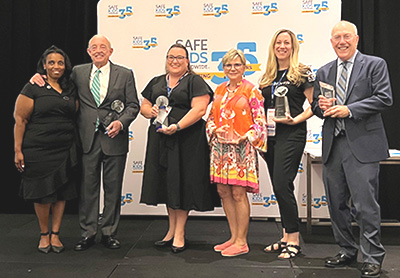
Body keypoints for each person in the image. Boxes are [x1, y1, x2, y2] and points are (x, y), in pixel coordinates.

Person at [31, 35, 140, 251]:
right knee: (88, 188)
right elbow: (57, 81)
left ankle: (109, 233)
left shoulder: (125, 74)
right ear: (88, 51)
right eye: (94, 47)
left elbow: (133, 105)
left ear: (111, 51)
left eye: (103, 47)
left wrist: (121, 122)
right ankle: (88, 233)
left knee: (113, 188)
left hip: (114, 138)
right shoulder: (78, 72)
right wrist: (38, 76)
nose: (98, 50)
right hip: (86, 139)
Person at [311, 21, 392, 278]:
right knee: (336, 205)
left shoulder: (374, 64)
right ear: (331, 41)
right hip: (333, 146)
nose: (341, 41)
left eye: (346, 36)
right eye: (337, 37)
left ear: (356, 39)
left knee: (366, 205)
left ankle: (372, 257)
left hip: (362, 147)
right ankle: (347, 250)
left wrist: (350, 109)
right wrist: (321, 105)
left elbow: (384, 97)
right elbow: (315, 108)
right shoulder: (324, 72)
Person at [140, 43, 220, 253]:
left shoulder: (194, 81)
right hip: (161, 140)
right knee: (167, 183)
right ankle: (171, 229)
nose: (174, 61)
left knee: (182, 183)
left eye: (180, 57)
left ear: (187, 61)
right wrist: (151, 111)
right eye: (170, 57)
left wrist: (177, 126)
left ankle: (180, 233)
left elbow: (200, 109)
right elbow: (144, 105)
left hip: (187, 139)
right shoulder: (157, 81)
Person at [14, 45, 78, 254]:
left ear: (65, 65)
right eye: (51, 62)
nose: (56, 66)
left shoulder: (70, 87)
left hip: (64, 149)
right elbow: (20, 120)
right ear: (44, 65)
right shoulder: (33, 87)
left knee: (60, 192)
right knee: (42, 194)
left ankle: (56, 234)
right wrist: (18, 150)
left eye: (60, 62)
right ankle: (44, 235)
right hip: (38, 150)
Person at [258, 29, 315, 259]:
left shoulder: (302, 73)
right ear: (273, 46)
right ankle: (285, 236)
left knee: (282, 184)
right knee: (281, 187)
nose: (282, 46)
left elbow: (314, 105)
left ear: (293, 46)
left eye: (287, 43)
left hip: (291, 134)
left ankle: (294, 239)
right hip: (270, 137)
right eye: (278, 42)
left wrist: (296, 120)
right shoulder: (267, 76)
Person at [206, 49, 267, 257]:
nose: (232, 69)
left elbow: (260, 121)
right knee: (224, 192)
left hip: (242, 150)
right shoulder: (219, 89)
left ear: (244, 68)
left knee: (238, 193)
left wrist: (247, 135)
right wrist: (214, 129)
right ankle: (233, 237)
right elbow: (211, 118)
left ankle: (242, 241)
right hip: (220, 149)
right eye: (228, 65)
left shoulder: (252, 91)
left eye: (237, 65)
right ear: (223, 68)